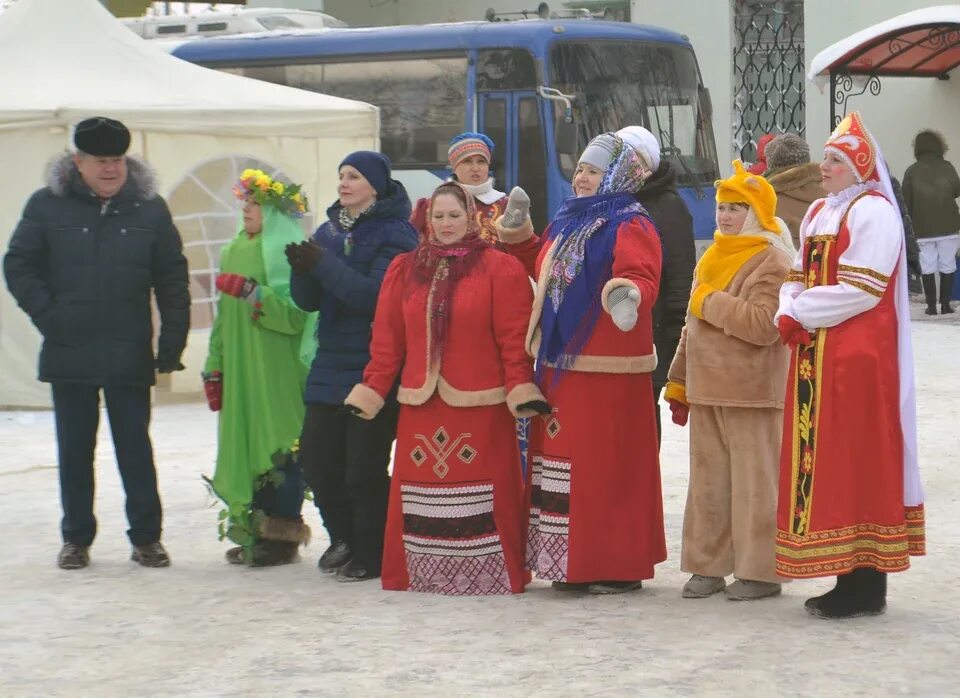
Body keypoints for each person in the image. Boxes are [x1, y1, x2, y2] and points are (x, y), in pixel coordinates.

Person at [3, 117, 189, 570]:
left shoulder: (150, 209)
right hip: (70, 348)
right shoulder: (48, 206)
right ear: (78, 162)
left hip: (128, 348)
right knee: (74, 449)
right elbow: (18, 265)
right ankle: (76, 538)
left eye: (117, 160)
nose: (110, 169)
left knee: (134, 447)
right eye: (100, 161)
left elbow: (172, 278)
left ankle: (147, 538)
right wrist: (51, 317)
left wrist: (172, 341)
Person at [344, 182, 548, 595]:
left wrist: (520, 386)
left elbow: (513, 338)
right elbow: (387, 341)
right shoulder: (403, 270)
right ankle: (422, 571)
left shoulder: (499, 268)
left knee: (482, 493)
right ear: (427, 219)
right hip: (421, 403)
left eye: (454, 215)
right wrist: (373, 388)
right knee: (421, 494)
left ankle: (487, 573)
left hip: (480, 405)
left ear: (471, 217)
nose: (446, 224)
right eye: (438, 216)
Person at [497, 132, 666, 594]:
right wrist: (521, 235)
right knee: (560, 462)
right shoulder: (571, 219)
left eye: (592, 170)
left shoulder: (631, 223)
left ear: (617, 174)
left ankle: (614, 562)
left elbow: (640, 272)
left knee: (604, 465)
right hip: (561, 362)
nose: (581, 176)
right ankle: (567, 562)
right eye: (580, 169)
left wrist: (627, 295)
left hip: (607, 367)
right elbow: (547, 269)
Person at [775, 112, 925, 619]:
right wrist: (786, 305)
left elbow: (864, 289)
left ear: (859, 166)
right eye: (826, 157)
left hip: (857, 354)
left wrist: (800, 311)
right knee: (830, 461)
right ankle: (846, 571)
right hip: (820, 353)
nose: (825, 166)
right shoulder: (820, 210)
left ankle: (867, 581)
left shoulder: (873, 212)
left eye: (836, 160)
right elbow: (795, 273)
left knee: (857, 456)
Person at [665, 161, 794, 601]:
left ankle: (761, 571)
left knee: (755, 486)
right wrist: (679, 379)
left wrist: (709, 300)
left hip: (752, 393)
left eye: (736, 208)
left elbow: (763, 325)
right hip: (707, 390)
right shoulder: (713, 254)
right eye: (722, 207)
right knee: (708, 485)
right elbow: (691, 324)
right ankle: (708, 566)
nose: (724, 216)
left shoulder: (773, 259)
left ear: (757, 213)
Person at [286, 151, 418, 582]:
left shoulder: (396, 233)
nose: (344, 183)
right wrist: (302, 271)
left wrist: (321, 265)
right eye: (341, 175)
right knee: (317, 459)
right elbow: (308, 302)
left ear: (375, 185)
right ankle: (343, 536)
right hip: (330, 363)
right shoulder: (327, 230)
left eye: (354, 176)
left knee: (362, 466)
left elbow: (375, 298)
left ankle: (372, 550)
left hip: (374, 365)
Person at [202, 169, 313, 566]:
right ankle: (253, 533)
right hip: (240, 367)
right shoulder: (234, 248)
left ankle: (281, 536)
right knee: (246, 442)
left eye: (255, 204)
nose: (246, 210)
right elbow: (222, 318)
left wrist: (254, 293)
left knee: (278, 444)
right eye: (245, 203)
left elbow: (299, 315)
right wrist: (213, 365)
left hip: (276, 368)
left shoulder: (287, 250)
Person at [617, 126, 695, 445]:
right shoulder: (612, 200)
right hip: (616, 329)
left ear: (647, 163)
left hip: (654, 328)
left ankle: (646, 486)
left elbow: (680, 272)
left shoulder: (669, 206)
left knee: (644, 416)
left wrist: (676, 333)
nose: (623, 166)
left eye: (630, 159)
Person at [410, 132, 509, 244]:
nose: (475, 168)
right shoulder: (428, 206)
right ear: (454, 167)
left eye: (481, 162)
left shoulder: (505, 205)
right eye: (467, 161)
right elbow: (409, 247)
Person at [901, 129, 960, 315]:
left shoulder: (911, 171)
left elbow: (905, 200)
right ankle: (945, 305)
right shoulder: (948, 167)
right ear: (939, 146)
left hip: (922, 229)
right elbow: (957, 191)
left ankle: (931, 306)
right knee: (948, 263)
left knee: (927, 265)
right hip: (949, 226)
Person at [764, 133, 826, 249]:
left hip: (785, 261)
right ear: (807, 157)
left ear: (769, 163)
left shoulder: (764, 197)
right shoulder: (832, 190)